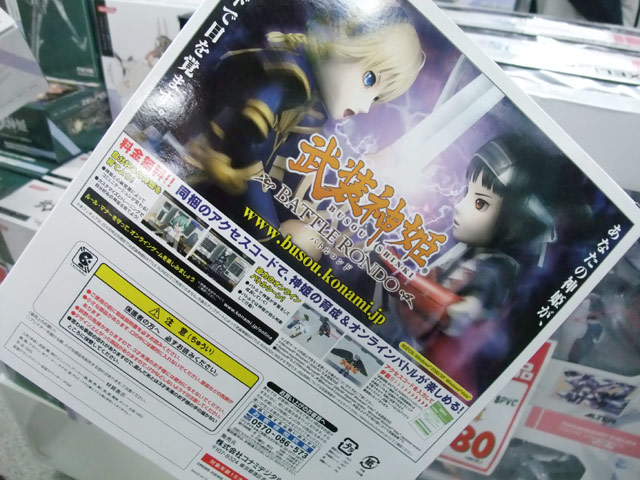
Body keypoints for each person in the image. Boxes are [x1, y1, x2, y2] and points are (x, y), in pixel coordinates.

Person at [183, 2, 425, 249]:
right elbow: (242, 141)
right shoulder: (291, 76)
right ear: (340, 34)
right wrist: (268, 234)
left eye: (377, 98)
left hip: (232, 190)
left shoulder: (312, 101)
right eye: (369, 79)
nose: (364, 107)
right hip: (209, 185)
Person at [396, 135, 557, 398]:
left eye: (480, 203)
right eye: (467, 194)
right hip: (417, 346)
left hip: (443, 369)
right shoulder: (465, 253)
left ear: (516, 221)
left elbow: (486, 285)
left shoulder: (499, 266)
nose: (460, 207)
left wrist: (470, 306)